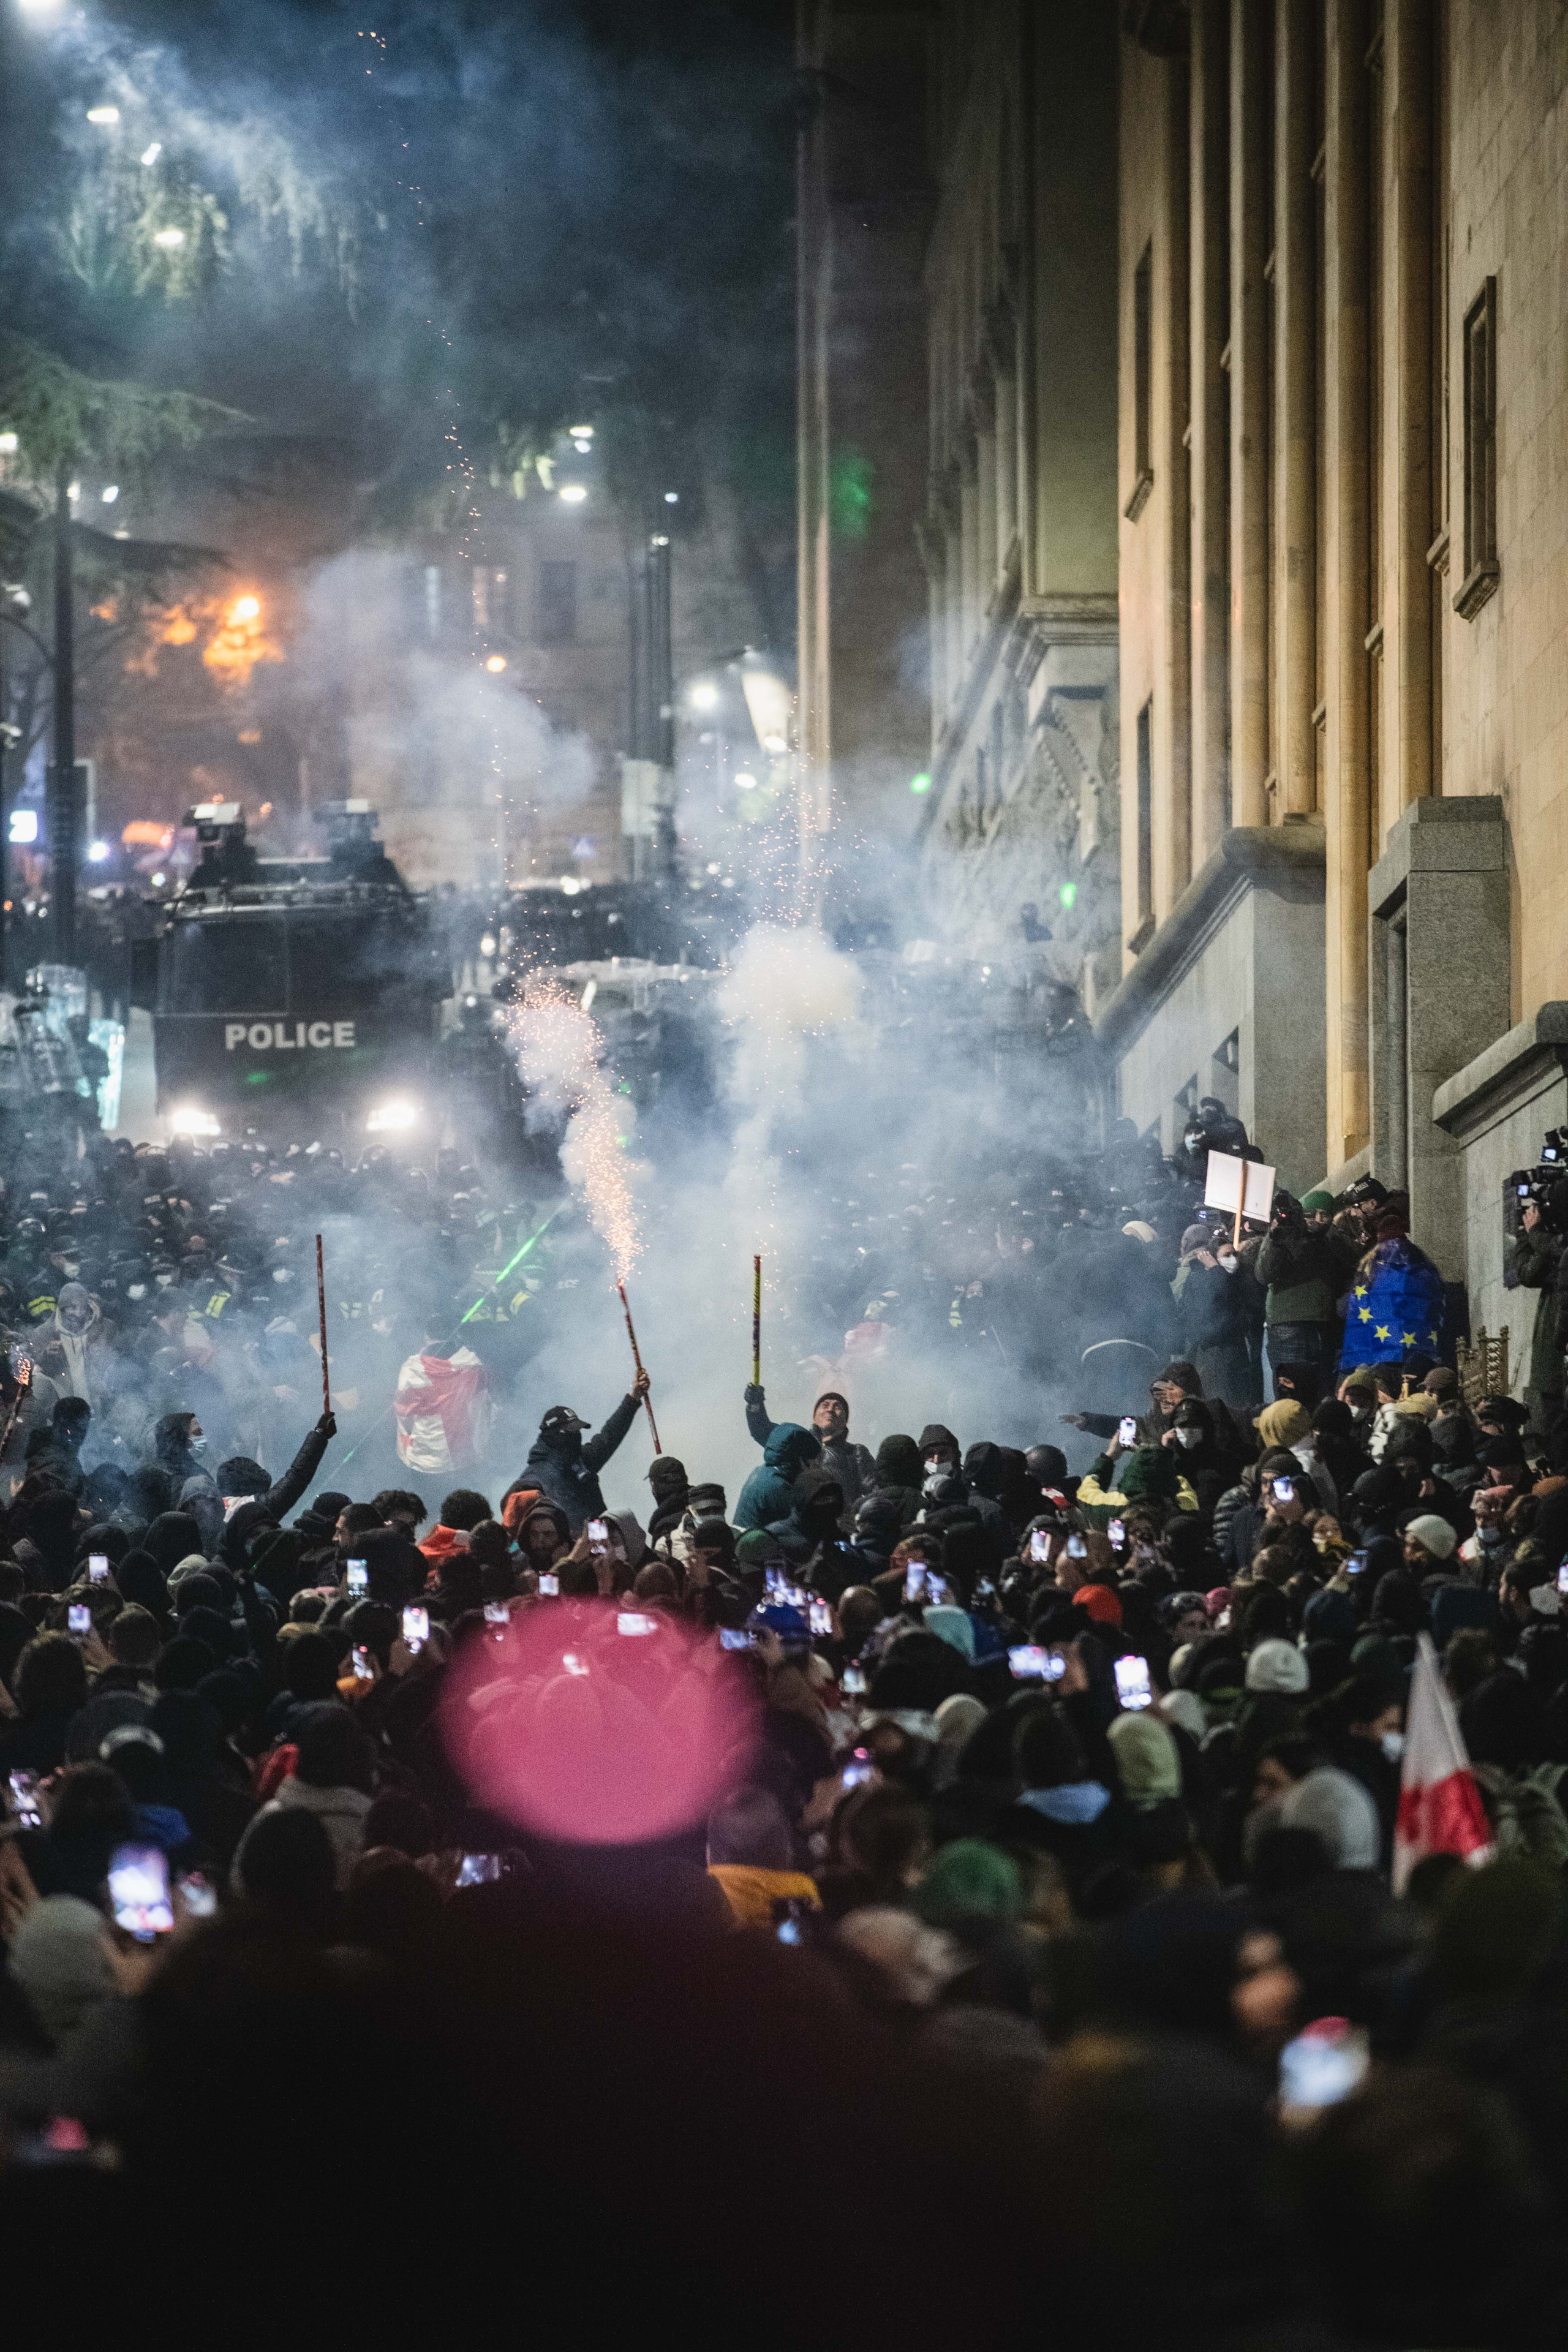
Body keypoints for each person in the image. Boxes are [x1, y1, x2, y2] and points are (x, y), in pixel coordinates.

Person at [522, 1373, 650, 1532]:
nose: (575, 1437)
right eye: (570, 1431)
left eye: (577, 1431)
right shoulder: (536, 1477)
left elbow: (609, 1436)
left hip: (598, 1545)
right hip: (569, 1553)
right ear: (553, 1433)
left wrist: (633, 1398)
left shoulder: (581, 1460)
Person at [745, 1384, 876, 1512]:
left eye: (837, 1407)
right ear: (814, 1417)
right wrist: (755, 1405)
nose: (830, 1409)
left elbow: (874, 1490)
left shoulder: (856, 1452)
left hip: (838, 1526)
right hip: (799, 1522)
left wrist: (853, 1512)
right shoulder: (795, 1442)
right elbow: (761, 1430)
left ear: (845, 1420)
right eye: (825, 1405)